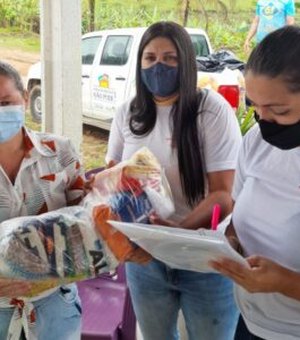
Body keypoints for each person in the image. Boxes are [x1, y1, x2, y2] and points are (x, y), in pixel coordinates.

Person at [106, 21, 242, 340]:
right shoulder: (129, 112)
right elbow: (112, 175)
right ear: (139, 63)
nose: (158, 66)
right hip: (146, 257)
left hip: (206, 259)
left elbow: (224, 194)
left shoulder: (210, 110)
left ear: (186, 62)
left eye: (170, 58)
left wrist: (177, 232)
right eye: (150, 58)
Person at [210, 25, 300, 340]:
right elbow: (238, 213)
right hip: (250, 322)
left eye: (278, 110)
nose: (263, 120)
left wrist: (285, 282)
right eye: (255, 106)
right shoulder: (255, 142)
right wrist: (229, 242)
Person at [0, 60, 85, 339]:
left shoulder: (59, 153)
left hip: (54, 307)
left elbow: (89, 230)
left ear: (25, 99)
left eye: (5, 102)